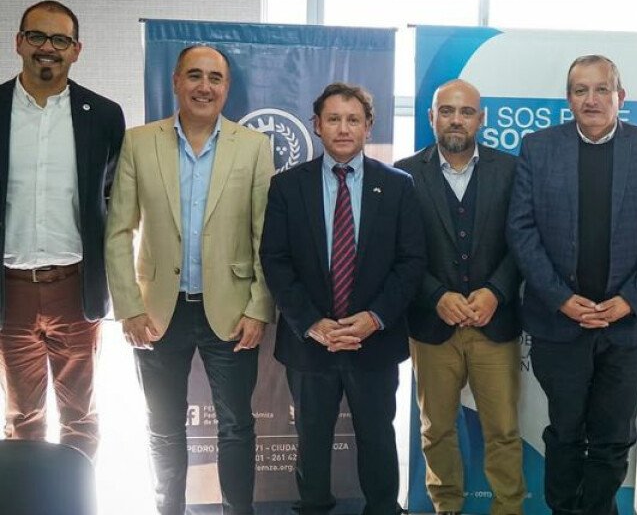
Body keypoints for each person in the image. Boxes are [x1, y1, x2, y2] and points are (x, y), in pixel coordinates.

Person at [506, 55, 637, 514]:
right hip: (558, 324)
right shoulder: (538, 148)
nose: (591, 99)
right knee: (565, 434)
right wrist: (561, 298)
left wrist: (630, 300)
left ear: (620, 97)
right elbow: (521, 231)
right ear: (568, 99)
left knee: (612, 438)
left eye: (602, 89)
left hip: (626, 327)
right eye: (581, 90)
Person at [105, 44, 274, 515]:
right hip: (157, 312)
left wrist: (259, 307)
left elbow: (265, 235)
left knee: (236, 426)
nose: (205, 86)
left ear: (227, 88)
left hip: (233, 312)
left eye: (215, 78)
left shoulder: (253, 146)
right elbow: (118, 231)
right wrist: (129, 307)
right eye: (195, 75)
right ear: (176, 82)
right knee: (162, 427)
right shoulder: (139, 142)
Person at [260, 82, 425, 515]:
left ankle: (383, 509)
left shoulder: (398, 186)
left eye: (353, 119)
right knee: (311, 439)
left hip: (375, 340)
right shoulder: (287, 187)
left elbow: (411, 262)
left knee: (378, 437)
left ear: (369, 126)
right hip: (310, 343)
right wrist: (313, 323)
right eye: (333, 119)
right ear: (317, 126)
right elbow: (275, 261)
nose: (343, 128)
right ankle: (314, 507)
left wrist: (375, 317)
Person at [0, 0, 125, 459]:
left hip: (75, 289)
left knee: (81, 418)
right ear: (19, 42)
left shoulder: (104, 116)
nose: (47, 48)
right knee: (22, 418)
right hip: (10, 292)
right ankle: (26, 496)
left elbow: (112, 200)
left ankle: (76, 494)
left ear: (76, 50)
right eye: (37, 36)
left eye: (60, 39)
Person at [396, 79, 525, 515]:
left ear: (481, 119)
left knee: (503, 430)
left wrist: (497, 291)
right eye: (447, 111)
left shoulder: (511, 170)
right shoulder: (403, 174)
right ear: (431, 117)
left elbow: (524, 242)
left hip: (496, 323)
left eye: (466, 112)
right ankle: (445, 506)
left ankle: (508, 509)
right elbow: (397, 250)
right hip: (432, 326)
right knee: (436, 429)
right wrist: (435, 295)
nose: (456, 120)